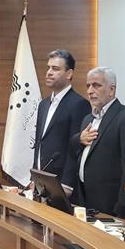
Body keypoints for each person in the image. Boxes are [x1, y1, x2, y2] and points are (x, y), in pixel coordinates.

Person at [69, 67, 125, 219]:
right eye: (88, 86)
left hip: (111, 206)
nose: (90, 91)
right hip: (84, 201)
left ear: (111, 89)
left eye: (96, 85)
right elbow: (77, 152)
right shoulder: (88, 119)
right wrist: (79, 139)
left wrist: (123, 207)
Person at [33, 50, 89, 188]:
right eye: (48, 68)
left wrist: (67, 183)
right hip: (41, 179)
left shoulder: (79, 104)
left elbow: (76, 147)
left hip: (61, 182)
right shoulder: (43, 104)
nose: (49, 72)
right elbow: (39, 143)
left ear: (69, 74)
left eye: (55, 69)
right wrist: (34, 175)